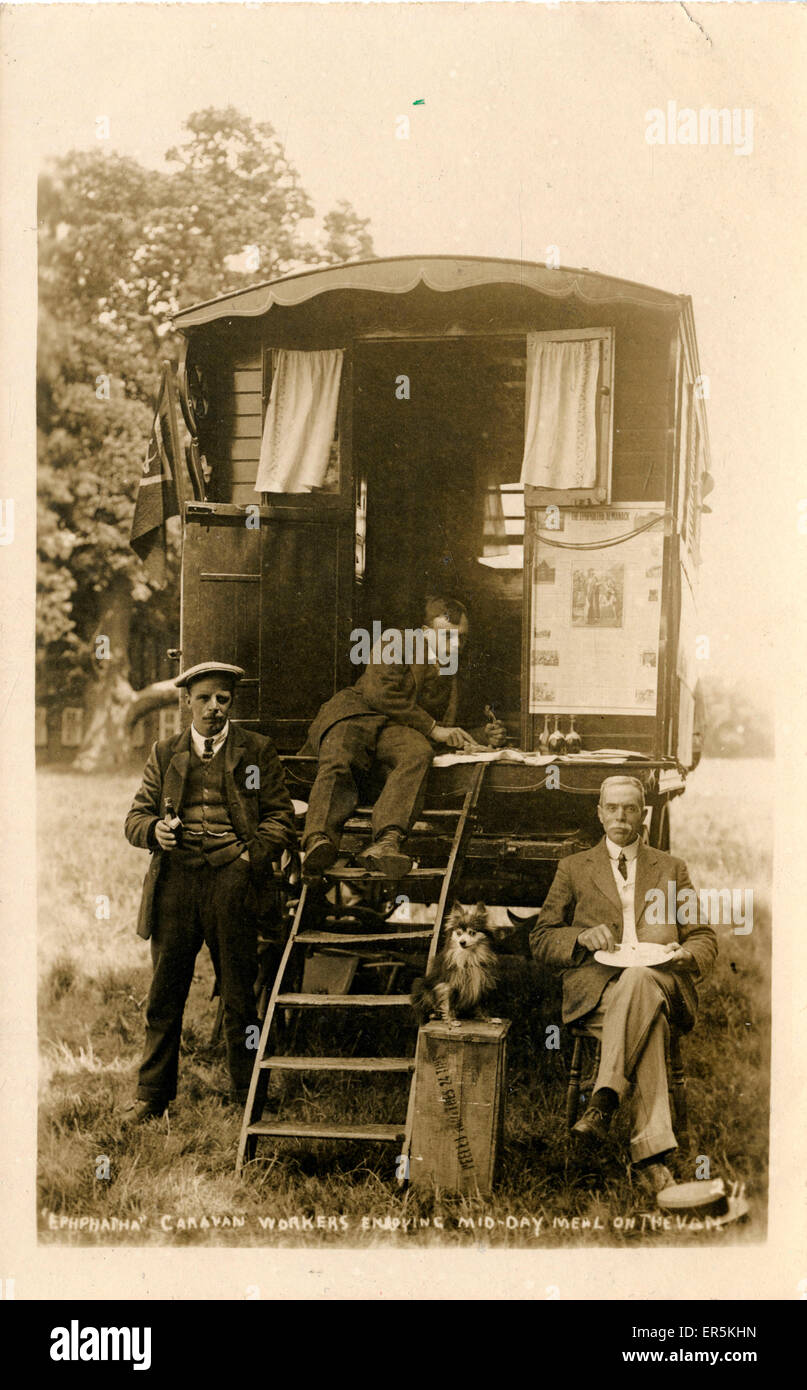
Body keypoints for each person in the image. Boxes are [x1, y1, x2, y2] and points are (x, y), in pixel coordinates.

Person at [124, 661, 295, 1122]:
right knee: (164, 994)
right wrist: (155, 830)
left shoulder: (255, 752)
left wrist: (248, 859)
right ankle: (152, 1096)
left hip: (232, 883)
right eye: (204, 699)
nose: (214, 708)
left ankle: (249, 1093)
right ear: (187, 703)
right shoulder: (164, 753)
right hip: (176, 884)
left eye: (222, 699)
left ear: (231, 702)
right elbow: (134, 819)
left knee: (240, 995)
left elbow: (281, 817)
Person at [530, 775, 718, 1195]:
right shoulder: (573, 868)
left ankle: (602, 1102)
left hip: (663, 983)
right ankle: (651, 1160)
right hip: (598, 992)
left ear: (643, 813)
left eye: (629, 808)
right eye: (612, 808)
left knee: (640, 981)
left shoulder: (671, 868)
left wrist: (687, 954)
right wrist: (578, 937)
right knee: (648, 1026)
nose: (620, 816)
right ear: (599, 814)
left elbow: (703, 935)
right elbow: (541, 937)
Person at [300, 596, 503, 880]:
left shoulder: (451, 669)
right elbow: (379, 693)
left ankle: (386, 842)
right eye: (447, 636)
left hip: (394, 728)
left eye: (462, 638)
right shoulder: (397, 641)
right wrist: (433, 728)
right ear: (424, 631)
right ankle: (318, 840)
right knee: (340, 756)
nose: (456, 645)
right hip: (357, 714)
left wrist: (482, 735)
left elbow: (445, 725)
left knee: (418, 752)